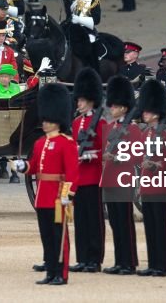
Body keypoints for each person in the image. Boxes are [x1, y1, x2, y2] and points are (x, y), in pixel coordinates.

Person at [13, 84, 78, 285]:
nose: (45, 123)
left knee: (60, 237)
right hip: (42, 197)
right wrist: (23, 165)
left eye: (48, 120)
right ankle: (50, 271)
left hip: (60, 197)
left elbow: (73, 173)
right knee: (47, 236)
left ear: (57, 121)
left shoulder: (67, 143)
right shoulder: (40, 143)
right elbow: (34, 168)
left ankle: (61, 273)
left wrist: (67, 195)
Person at [68, 69, 107, 274]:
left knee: (94, 219)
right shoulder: (76, 123)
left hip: (93, 177)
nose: (79, 104)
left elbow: (107, 150)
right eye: (78, 100)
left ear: (91, 100)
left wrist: (92, 155)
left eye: (82, 100)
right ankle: (82, 257)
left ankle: (95, 258)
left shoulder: (100, 123)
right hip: (79, 179)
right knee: (81, 220)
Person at [100, 76, 139, 276]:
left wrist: (117, 157)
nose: (112, 110)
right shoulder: (110, 127)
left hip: (123, 178)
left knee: (124, 220)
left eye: (115, 107)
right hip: (109, 178)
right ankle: (119, 260)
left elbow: (135, 153)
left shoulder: (131, 128)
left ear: (124, 108)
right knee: (115, 221)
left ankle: (129, 261)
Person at [134, 80, 166, 277]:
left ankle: (163, 264)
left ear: (157, 112)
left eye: (148, 111)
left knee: (160, 225)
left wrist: (157, 166)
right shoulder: (145, 134)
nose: (144, 113)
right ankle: (153, 262)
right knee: (150, 226)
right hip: (147, 186)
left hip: (160, 185)